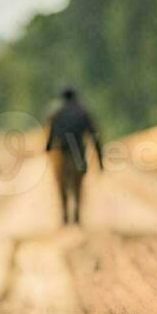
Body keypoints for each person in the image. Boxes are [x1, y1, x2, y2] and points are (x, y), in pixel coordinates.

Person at [45, 87, 103, 225]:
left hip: (60, 152)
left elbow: (51, 135)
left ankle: (65, 214)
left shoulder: (56, 113)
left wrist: (48, 147)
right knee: (78, 183)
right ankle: (76, 213)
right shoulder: (83, 112)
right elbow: (94, 136)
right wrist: (100, 159)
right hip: (78, 151)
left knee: (61, 184)